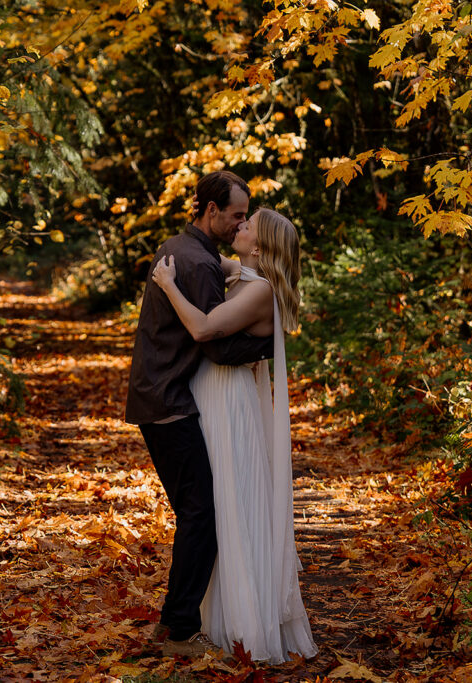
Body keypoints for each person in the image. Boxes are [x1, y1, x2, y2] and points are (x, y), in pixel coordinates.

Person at [151, 207, 318, 663]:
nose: (239, 227)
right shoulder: (245, 274)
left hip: (230, 403)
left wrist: (167, 286)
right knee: (215, 506)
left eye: (248, 226)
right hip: (211, 396)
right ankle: (202, 619)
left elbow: (204, 328)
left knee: (230, 506)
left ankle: (244, 625)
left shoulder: (260, 290)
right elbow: (211, 257)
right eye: (241, 220)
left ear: (261, 247)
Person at [125, 171, 274, 657]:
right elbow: (214, 346)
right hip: (168, 402)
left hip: (159, 396)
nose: (239, 224)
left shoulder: (185, 250)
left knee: (197, 512)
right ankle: (178, 626)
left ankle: (179, 622)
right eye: (235, 216)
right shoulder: (198, 263)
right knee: (201, 513)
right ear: (211, 211)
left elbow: (230, 270)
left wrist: (246, 269)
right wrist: (266, 344)